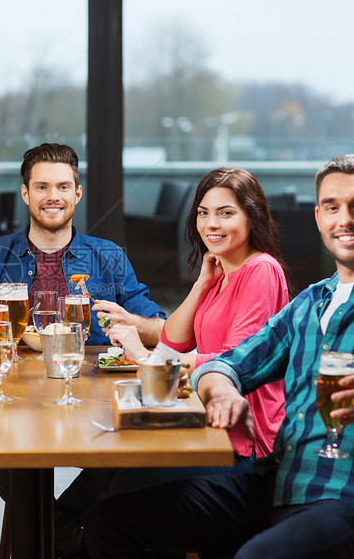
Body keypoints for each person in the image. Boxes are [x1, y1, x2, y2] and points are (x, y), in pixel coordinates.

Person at [83, 154, 354, 559]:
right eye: (331, 207)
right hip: (276, 482)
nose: (344, 219)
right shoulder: (310, 302)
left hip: (344, 501)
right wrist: (222, 390)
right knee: (108, 523)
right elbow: (228, 363)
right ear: (318, 217)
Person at [103, 167, 289, 492]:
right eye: (204, 213)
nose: (211, 224)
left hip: (245, 442)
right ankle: (69, 540)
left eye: (225, 213)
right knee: (110, 472)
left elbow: (232, 362)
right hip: (209, 422)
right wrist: (202, 284)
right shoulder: (221, 271)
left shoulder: (260, 270)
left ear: (252, 217)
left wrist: (144, 357)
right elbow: (172, 340)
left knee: (124, 484)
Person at [0, 142, 165, 346]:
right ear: (26, 194)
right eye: (42, 187)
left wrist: (132, 322)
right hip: (6, 381)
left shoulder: (110, 256)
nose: (53, 196)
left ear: (77, 194)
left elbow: (161, 330)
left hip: (87, 383)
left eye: (63, 187)